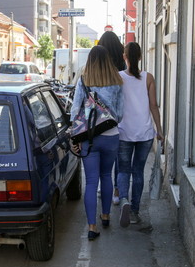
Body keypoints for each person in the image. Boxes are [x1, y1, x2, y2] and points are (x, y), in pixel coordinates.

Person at [70, 45, 124, 241]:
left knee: (91, 181)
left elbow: (75, 110)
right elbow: (120, 112)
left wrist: (75, 136)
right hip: (111, 136)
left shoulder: (84, 81)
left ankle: (92, 227)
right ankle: (106, 216)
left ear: (90, 61)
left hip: (89, 138)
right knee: (106, 176)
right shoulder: (117, 81)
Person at [117, 42, 164, 227]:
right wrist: (159, 130)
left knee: (123, 170)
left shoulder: (118, 77)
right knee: (138, 172)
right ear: (140, 57)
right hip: (144, 133)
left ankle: (123, 201)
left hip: (123, 132)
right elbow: (154, 105)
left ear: (124, 57)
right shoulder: (148, 78)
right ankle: (135, 211)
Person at [97, 31, 126, 205]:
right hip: (121, 116)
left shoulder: (98, 65)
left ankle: (103, 185)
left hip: (99, 119)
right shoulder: (121, 66)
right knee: (118, 157)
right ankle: (116, 190)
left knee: (101, 154)